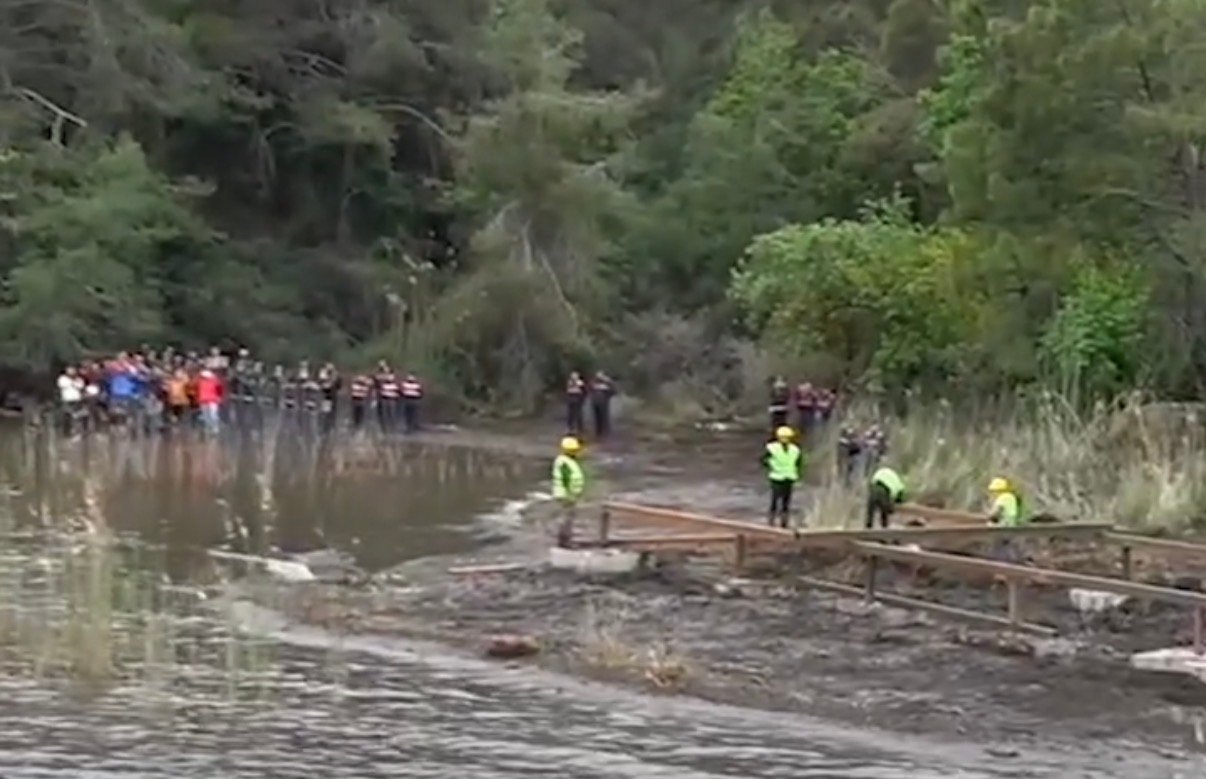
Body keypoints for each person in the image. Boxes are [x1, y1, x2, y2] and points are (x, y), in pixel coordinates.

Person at [761, 426, 802, 528]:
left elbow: (763, 461)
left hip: (783, 477)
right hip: (783, 477)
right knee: (781, 501)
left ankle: (777, 521)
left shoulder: (791, 449)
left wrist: (770, 465)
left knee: (780, 501)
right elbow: (799, 464)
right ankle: (778, 522)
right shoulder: (793, 449)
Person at [551, 436, 586, 548]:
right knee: (567, 518)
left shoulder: (568, 461)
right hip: (566, 495)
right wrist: (570, 494)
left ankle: (565, 539)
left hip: (569, 494)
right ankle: (565, 540)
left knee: (568, 517)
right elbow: (566, 480)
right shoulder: (565, 463)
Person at [56, 366, 84, 436]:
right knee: (67, 415)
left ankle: (77, 431)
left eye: (72, 371)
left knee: (77, 416)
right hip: (67, 399)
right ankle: (67, 432)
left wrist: (74, 382)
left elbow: (80, 386)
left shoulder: (78, 379)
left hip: (76, 399)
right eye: (69, 371)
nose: (71, 372)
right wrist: (72, 382)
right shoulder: (62, 378)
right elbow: (62, 385)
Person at [195, 368, 223, 435]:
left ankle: (212, 427)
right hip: (208, 400)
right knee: (210, 415)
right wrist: (219, 397)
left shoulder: (201, 381)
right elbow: (220, 389)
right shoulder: (201, 382)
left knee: (210, 415)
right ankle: (212, 427)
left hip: (208, 400)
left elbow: (219, 389)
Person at [375, 361, 400, 434]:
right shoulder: (379, 376)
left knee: (391, 413)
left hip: (391, 398)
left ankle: (392, 428)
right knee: (383, 414)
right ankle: (384, 429)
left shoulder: (391, 376)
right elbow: (377, 380)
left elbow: (391, 378)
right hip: (383, 397)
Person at [589, 371, 615, 439]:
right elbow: (589, 389)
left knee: (604, 417)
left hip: (604, 402)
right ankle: (598, 432)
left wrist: (608, 384)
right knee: (597, 418)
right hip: (595, 402)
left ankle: (605, 431)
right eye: (598, 375)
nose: (599, 377)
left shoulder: (607, 383)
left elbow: (613, 391)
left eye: (601, 375)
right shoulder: (593, 382)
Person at [318, 362, 341, 435]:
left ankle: (329, 427)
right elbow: (323, 384)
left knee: (330, 413)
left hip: (330, 396)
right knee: (327, 413)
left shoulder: (334, 375)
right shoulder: (324, 375)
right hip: (327, 397)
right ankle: (327, 428)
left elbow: (338, 385)